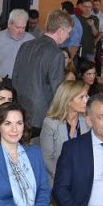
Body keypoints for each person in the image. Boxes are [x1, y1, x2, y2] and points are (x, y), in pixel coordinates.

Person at [13, 9, 72, 137]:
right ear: (60, 31)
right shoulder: (57, 54)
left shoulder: (25, 45)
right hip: (41, 116)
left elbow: (15, 78)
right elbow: (58, 90)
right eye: (68, 32)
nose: (68, 36)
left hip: (20, 110)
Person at [41, 80, 90, 186]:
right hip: (58, 180)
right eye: (81, 97)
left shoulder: (85, 121)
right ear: (68, 101)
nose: (86, 101)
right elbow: (46, 158)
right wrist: (64, 177)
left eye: (86, 96)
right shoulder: (51, 123)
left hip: (82, 179)